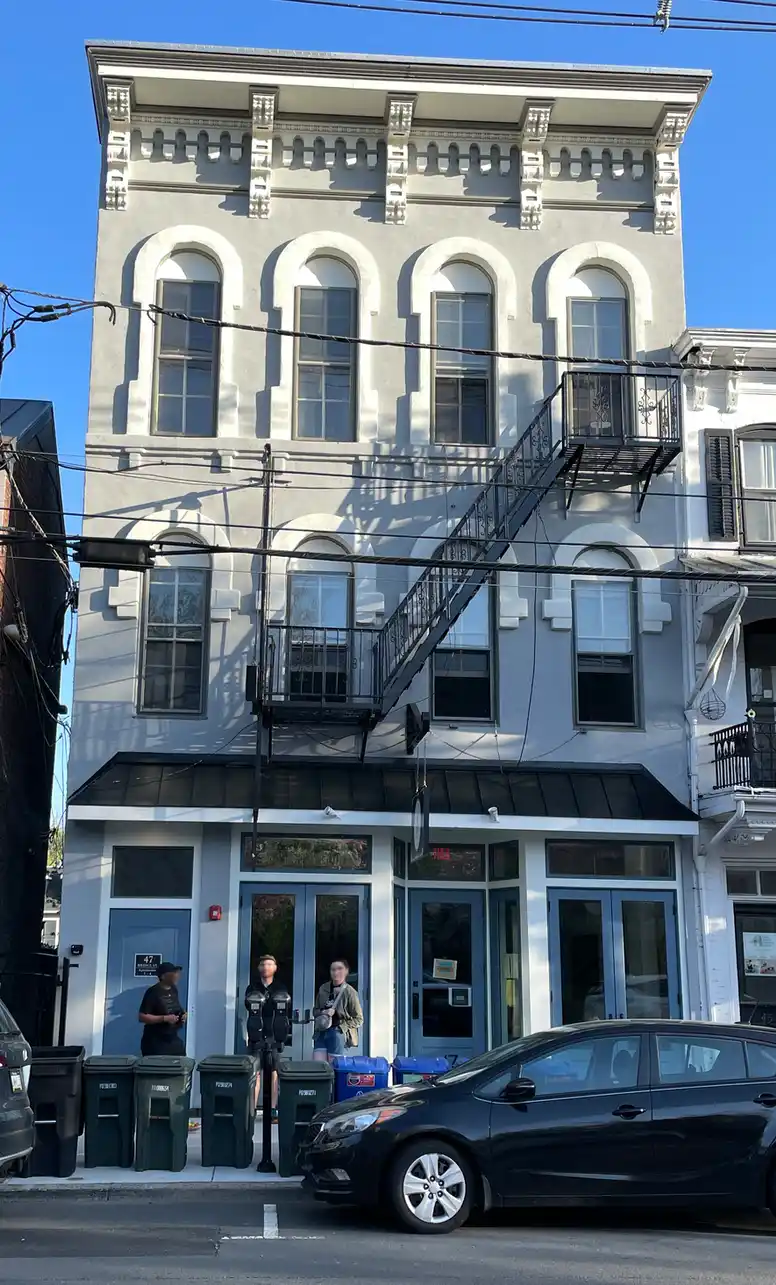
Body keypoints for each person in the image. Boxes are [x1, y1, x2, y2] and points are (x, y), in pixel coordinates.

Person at [244, 954, 286, 1116]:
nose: (265, 967)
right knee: (255, 1070)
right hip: (256, 1031)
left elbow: (283, 1007)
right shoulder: (252, 987)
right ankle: (252, 1108)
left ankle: (273, 1109)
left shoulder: (280, 987)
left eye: (269, 964)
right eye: (262, 964)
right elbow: (249, 1006)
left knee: (274, 1070)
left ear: (275, 968)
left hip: (274, 1032)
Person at [312, 959, 363, 1062]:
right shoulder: (324, 988)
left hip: (337, 1033)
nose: (336, 972)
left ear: (346, 971)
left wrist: (341, 1028)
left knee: (335, 1067)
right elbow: (315, 1011)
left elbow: (359, 1019)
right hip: (321, 1032)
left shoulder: (350, 992)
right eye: (333, 969)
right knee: (319, 1066)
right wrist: (323, 1012)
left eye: (340, 969)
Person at [138, 962, 187, 1056]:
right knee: (159, 1069)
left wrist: (183, 1014)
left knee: (181, 1064)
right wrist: (164, 1018)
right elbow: (142, 1016)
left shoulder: (173, 989)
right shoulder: (153, 992)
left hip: (172, 1038)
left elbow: (175, 1007)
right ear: (163, 976)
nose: (177, 976)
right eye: (173, 973)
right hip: (156, 1042)